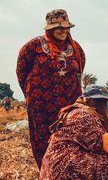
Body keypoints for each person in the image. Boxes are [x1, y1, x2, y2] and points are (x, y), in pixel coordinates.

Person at [16, 9, 85, 169]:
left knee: (67, 138)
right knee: (41, 138)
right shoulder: (33, 46)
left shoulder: (76, 49)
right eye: (59, 27)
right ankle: (46, 172)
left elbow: (79, 72)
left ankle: (65, 172)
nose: (63, 30)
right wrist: (30, 93)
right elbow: (21, 71)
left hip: (67, 105)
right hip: (40, 105)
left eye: (66, 27)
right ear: (49, 29)